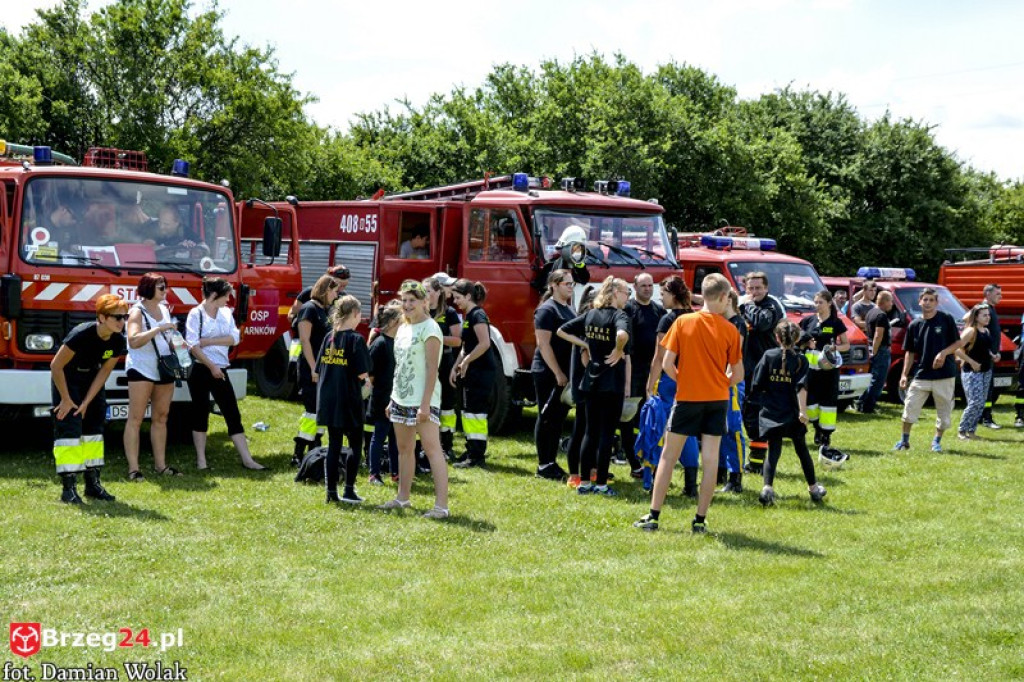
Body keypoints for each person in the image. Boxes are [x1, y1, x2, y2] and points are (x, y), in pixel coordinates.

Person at [633, 273, 743, 533]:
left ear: (702, 295)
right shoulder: (731, 329)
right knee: (711, 461)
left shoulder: (683, 322)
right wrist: (719, 383)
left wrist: (684, 380)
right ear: (724, 297)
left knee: (668, 457)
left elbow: (667, 363)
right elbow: (738, 374)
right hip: (717, 400)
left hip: (687, 398)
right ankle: (700, 520)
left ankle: (654, 516)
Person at [380, 279, 449, 518]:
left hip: (423, 400)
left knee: (432, 449)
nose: (407, 305)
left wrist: (425, 404)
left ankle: (441, 506)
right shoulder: (402, 328)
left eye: (412, 300)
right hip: (401, 398)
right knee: (403, 449)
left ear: (424, 302)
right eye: (404, 300)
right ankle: (403, 498)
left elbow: (432, 369)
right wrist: (392, 399)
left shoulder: (431, 328)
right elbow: (399, 366)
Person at [50, 294, 129, 503]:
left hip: (92, 382)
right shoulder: (81, 334)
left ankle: (93, 485)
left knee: (94, 431)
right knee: (69, 432)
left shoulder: (118, 340)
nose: (122, 322)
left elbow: (104, 372)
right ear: (102, 317)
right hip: (68, 380)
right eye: (117, 317)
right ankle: (68, 489)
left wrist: (87, 402)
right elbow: (56, 366)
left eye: (125, 317)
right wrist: (66, 399)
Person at [557, 276, 631, 496]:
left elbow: (562, 331)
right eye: (626, 292)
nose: (627, 297)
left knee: (590, 432)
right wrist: (618, 349)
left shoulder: (591, 314)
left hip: (590, 381)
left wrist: (585, 344)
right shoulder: (619, 315)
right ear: (615, 293)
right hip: (611, 382)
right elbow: (622, 334)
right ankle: (600, 484)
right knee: (606, 434)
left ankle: (584, 483)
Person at [185, 277, 266, 471]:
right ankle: (201, 461)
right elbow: (193, 345)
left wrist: (208, 341)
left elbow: (235, 338)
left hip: (221, 367)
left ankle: (247, 459)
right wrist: (211, 366)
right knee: (200, 412)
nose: (229, 300)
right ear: (214, 295)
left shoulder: (225, 313)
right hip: (201, 368)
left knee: (232, 412)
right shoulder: (196, 313)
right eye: (226, 296)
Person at [750, 320, 827, 507]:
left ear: (777, 337)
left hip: (771, 412)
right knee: (802, 450)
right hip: (793, 413)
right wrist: (803, 412)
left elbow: (757, 385)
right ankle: (814, 488)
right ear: (797, 338)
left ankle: (767, 488)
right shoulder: (801, 360)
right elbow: (801, 387)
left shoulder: (768, 356)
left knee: (773, 450)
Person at [640, 275, 697, 495]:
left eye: (663, 294)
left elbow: (659, 356)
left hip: (669, 380)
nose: (661, 298)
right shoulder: (696, 317)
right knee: (688, 431)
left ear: (673, 295)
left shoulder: (668, 319)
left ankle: (655, 479)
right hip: (691, 380)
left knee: (660, 427)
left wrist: (650, 384)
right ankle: (690, 485)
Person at [123, 273, 181, 480]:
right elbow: (133, 341)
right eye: (161, 287)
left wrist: (178, 343)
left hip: (164, 367)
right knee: (136, 418)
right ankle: (133, 469)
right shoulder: (137, 312)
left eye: (165, 286)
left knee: (161, 417)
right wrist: (158, 328)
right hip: (142, 367)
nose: (165, 291)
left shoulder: (164, 309)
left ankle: (161, 466)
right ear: (149, 289)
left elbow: (167, 337)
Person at [894, 288, 965, 453]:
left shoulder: (946, 319)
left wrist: (943, 353)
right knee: (909, 407)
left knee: (944, 412)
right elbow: (910, 352)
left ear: (936, 303)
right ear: (919, 302)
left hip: (944, 374)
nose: (928, 303)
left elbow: (958, 343)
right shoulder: (914, 325)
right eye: (925, 300)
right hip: (922, 374)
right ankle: (904, 441)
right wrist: (904, 375)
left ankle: (936, 442)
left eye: (931, 300)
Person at [317, 295, 371, 504]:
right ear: (355, 314)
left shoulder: (329, 337)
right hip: (349, 399)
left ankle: (331, 493)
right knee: (355, 444)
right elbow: (362, 373)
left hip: (329, 399)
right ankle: (348, 490)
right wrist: (367, 383)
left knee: (334, 445)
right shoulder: (356, 339)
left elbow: (319, 370)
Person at [738, 271, 786, 473]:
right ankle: (755, 460)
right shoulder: (743, 306)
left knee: (758, 415)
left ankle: (757, 463)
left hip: (765, 370)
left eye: (758, 288)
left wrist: (748, 305)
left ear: (766, 288)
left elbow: (761, 323)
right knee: (748, 414)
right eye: (750, 288)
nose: (754, 292)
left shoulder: (771, 306)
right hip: (745, 368)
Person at [619, 273, 666, 477]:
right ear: (635, 287)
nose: (647, 289)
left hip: (652, 370)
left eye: (650, 285)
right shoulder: (628, 309)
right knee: (628, 415)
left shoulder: (659, 311)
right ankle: (628, 455)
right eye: (643, 285)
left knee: (648, 416)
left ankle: (646, 455)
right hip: (632, 370)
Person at [291, 274, 341, 465]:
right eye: (334, 291)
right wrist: (313, 368)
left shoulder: (325, 310)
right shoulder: (309, 309)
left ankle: (315, 448)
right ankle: (298, 452)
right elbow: (305, 340)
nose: (336, 296)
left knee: (320, 411)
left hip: (324, 367)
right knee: (311, 411)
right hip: (310, 367)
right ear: (326, 290)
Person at [532, 270, 576, 482]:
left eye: (572, 283)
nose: (570, 287)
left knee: (558, 418)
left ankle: (552, 461)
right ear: (554, 285)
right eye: (567, 284)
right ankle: (544, 464)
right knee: (547, 417)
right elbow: (543, 344)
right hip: (548, 372)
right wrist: (557, 372)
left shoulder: (569, 308)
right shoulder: (546, 310)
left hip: (565, 372)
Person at [450, 279, 495, 468]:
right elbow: (465, 346)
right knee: (468, 413)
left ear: (468, 296)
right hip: (471, 372)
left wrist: (466, 361)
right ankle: (471, 450)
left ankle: (476, 456)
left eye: (458, 298)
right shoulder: (469, 316)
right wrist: (456, 366)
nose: (455, 302)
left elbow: (484, 343)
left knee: (476, 414)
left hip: (481, 372)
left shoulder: (478, 315)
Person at [798, 290, 850, 451]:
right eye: (816, 302)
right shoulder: (808, 321)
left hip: (829, 369)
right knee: (810, 401)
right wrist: (805, 341)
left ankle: (826, 434)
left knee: (828, 402)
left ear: (829, 303)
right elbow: (797, 337)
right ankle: (816, 427)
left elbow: (846, 345)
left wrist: (835, 348)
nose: (817, 305)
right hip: (810, 368)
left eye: (820, 302)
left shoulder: (836, 322)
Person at [564, 285, 598, 489]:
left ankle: (592, 470)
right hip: (584, 385)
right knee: (580, 430)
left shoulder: (587, 321)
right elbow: (586, 360)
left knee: (588, 429)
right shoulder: (587, 324)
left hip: (584, 384)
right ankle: (574, 474)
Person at [425, 273, 462, 460]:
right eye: (423, 291)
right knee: (426, 402)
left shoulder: (449, 313)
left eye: (428, 291)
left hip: (444, 361)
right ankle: (425, 445)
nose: (425, 294)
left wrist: (436, 337)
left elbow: (457, 340)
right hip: (423, 362)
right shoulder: (420, 312)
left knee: (446, 405)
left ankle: (447, 445)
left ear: (438, 292)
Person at [366, 303, 401, 485]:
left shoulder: (398, 342)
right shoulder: (380, 343)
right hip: (381, 398)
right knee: (379, 435)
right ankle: (374, 474)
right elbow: (370, 374)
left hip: (396, 397)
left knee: (396, 437)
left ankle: (396, 472)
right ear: (394, 321)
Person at [719, 288, 748, 492]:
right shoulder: (720, 321)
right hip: (718, 380)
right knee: (718, 428)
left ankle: (735, 476)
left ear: (728, 300)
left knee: (733, 428)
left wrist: (727, 379)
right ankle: (719, 472)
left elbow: (734, 357)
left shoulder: (738, 323)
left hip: (732, 382)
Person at [956, 303, 998, 440]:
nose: (988, 318)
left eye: (988, 315)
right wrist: (972, 362)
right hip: (972, 372)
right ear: (976, 317)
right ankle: (962, 431)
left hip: (986, 370)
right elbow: (956, 349)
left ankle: (971, 431)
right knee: (975, 402)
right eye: (984, 315)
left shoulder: (986, 331)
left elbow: (985, 349)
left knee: (981, 403)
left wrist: (993, 356)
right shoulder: (970, 331)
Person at [856, 290, 894, 414]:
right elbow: (878, 335)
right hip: (880, 349)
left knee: (871, 378)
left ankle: (861, 403)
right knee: (878, 380)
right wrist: (875, 351)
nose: (892, 304)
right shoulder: (881, 315)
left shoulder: (870, 312)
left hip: (872, 347)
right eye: (891, 301)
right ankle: (868, 406)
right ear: (885, 301)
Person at [978, 283, 1004, 429]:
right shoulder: (984, 309)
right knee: (985, 389)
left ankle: (982, 416)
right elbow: (980, 333)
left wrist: (996, 352)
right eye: (997, 293)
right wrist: (989, 352)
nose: (1000, 296)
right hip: (984, 356)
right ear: (988, 294)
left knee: (987, 388)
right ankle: (986, 418)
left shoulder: (991, 309)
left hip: (990, 355)